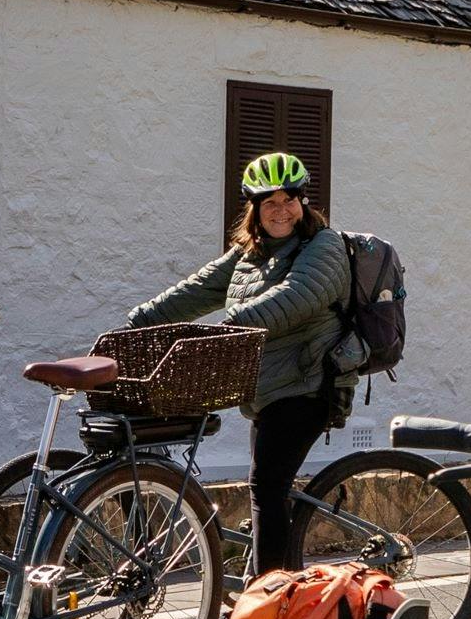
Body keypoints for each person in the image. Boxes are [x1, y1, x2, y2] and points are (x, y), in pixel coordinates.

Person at [128, 150, 357, 573]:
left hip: (310, 384)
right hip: (268, 391)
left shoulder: (325, 245)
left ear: (303, 202)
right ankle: (276, 583)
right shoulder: (248, 254)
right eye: (269, 202)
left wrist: (228, 326)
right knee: (268, 488)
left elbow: (297, 296)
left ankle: (269, 595)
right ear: (255, 209)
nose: (281, 210)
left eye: (289, 199)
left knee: (266, 487)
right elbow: (193, 292)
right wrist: (135, 323)